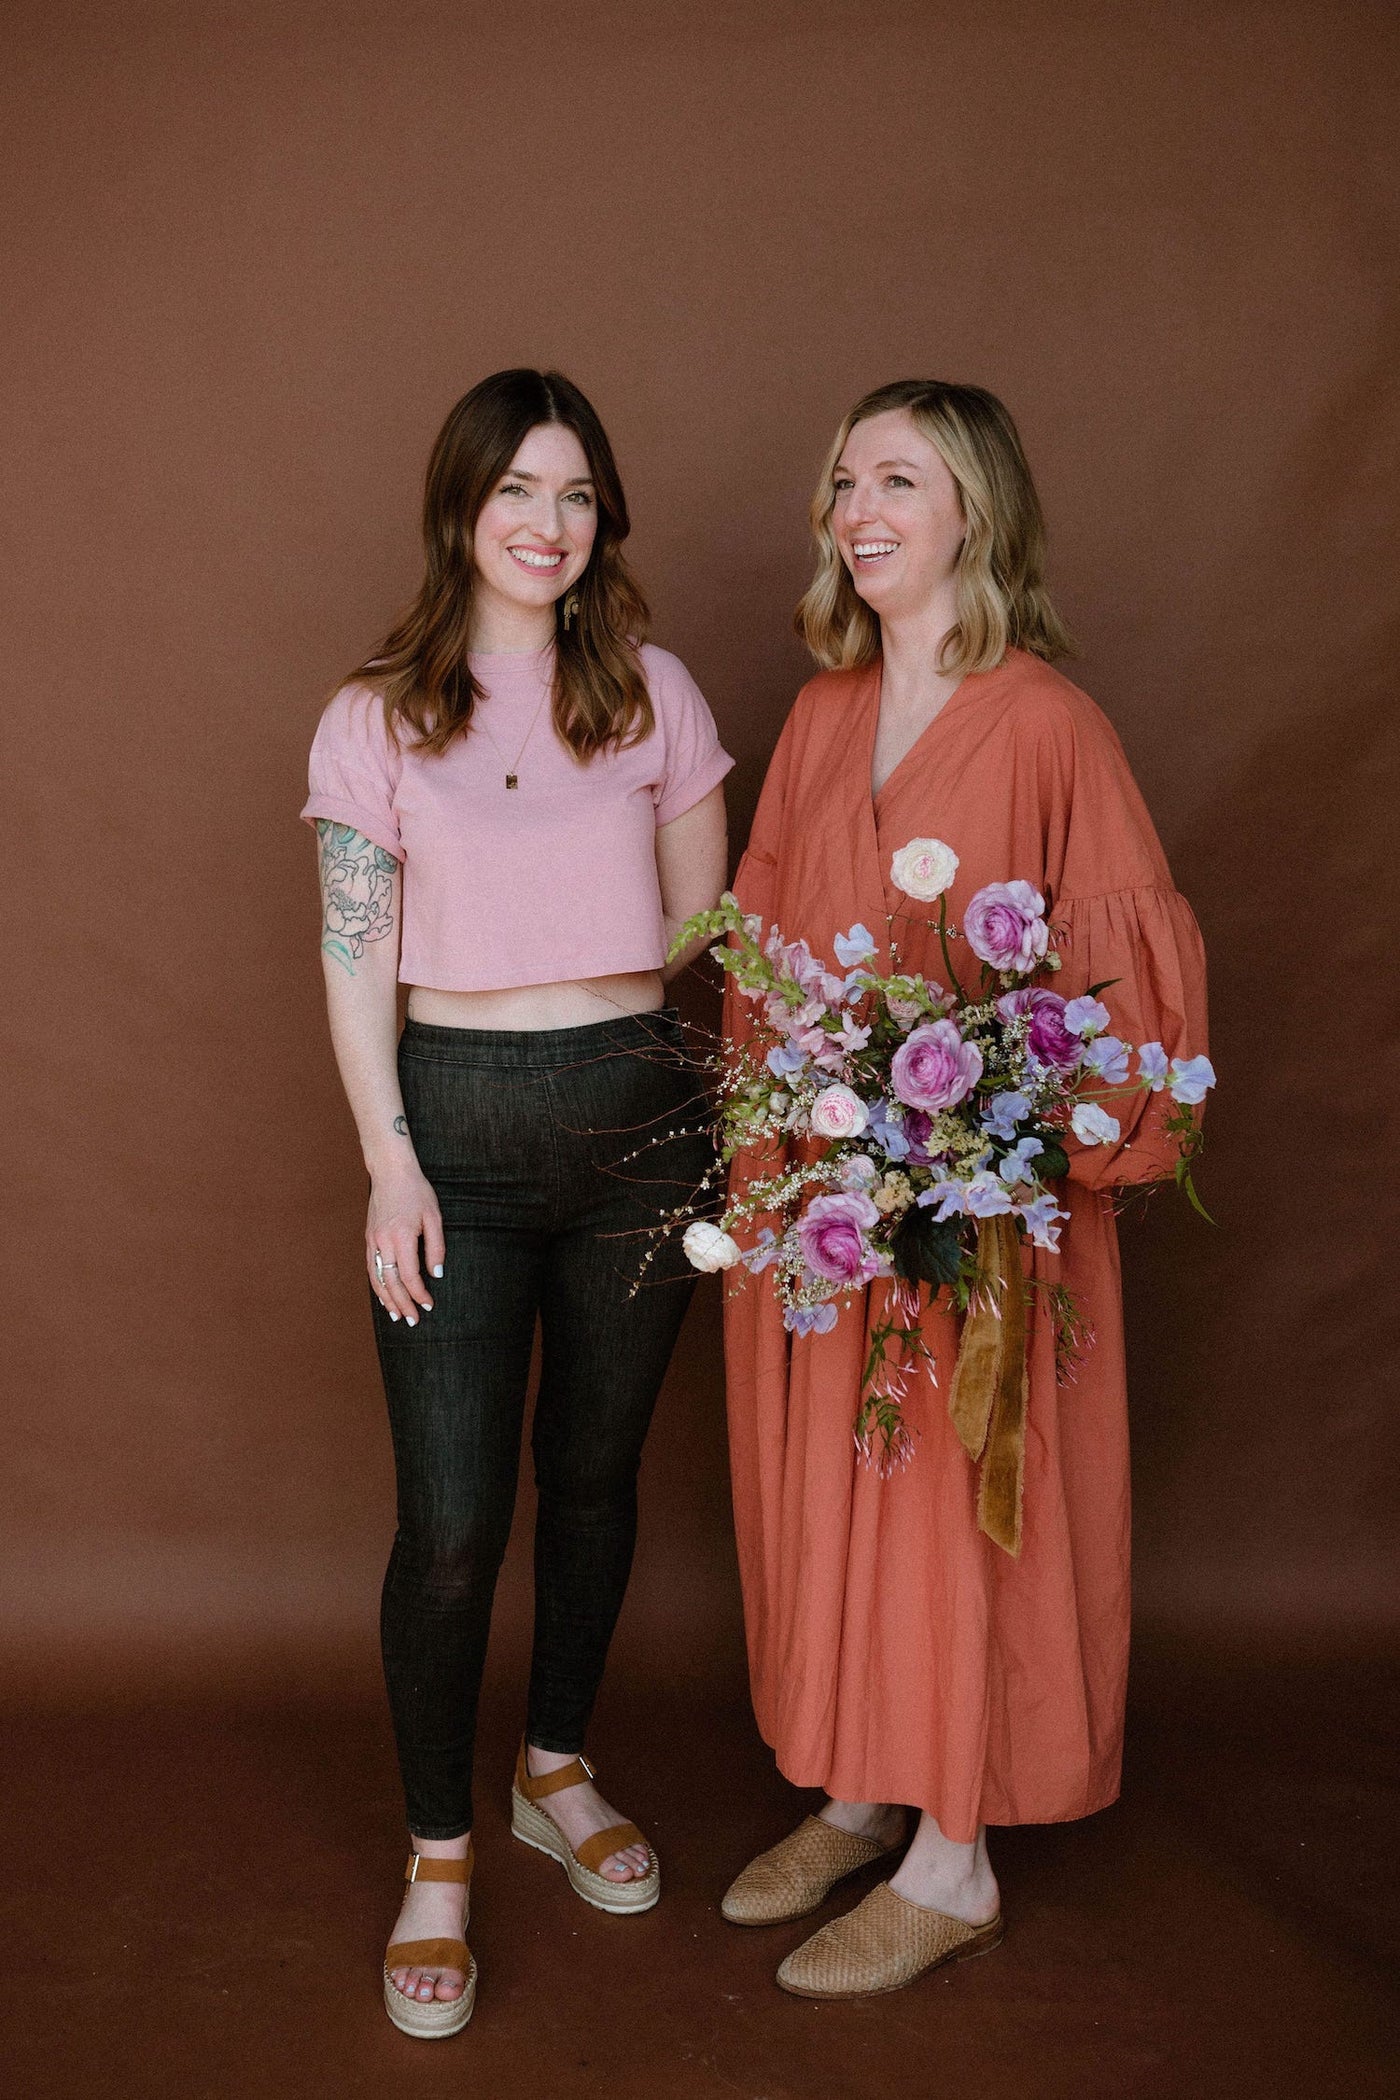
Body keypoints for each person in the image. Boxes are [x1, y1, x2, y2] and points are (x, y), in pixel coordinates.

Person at [718, 380, 1208, 1998]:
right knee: (847, 1499)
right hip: (843, 1209)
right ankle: (864, 1786)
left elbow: (1123, 986)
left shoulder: (1050, 723)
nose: (859, 509)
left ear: (975, 513)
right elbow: (766, 948)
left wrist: (1006, 1135)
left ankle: (955, 1858)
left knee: (951, 1513)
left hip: (988, 1221)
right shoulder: (818, 716)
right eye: (844, 480)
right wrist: (792, 1137)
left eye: (900, 482)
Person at [302, 368, 730, 2037]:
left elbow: (700, 934)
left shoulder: (656, 693)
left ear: (600, 515)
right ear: (461, 512)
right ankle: (440, 1852)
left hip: (641, 1123)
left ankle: (557, 1765)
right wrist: (389, 1155)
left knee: (599, 1477)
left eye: (576, 495)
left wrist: (599, 1012)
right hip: (453, 1137)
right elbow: (354, 957)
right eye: (517, 495)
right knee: (455, 1521)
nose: (549, 527)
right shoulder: (375, 715)